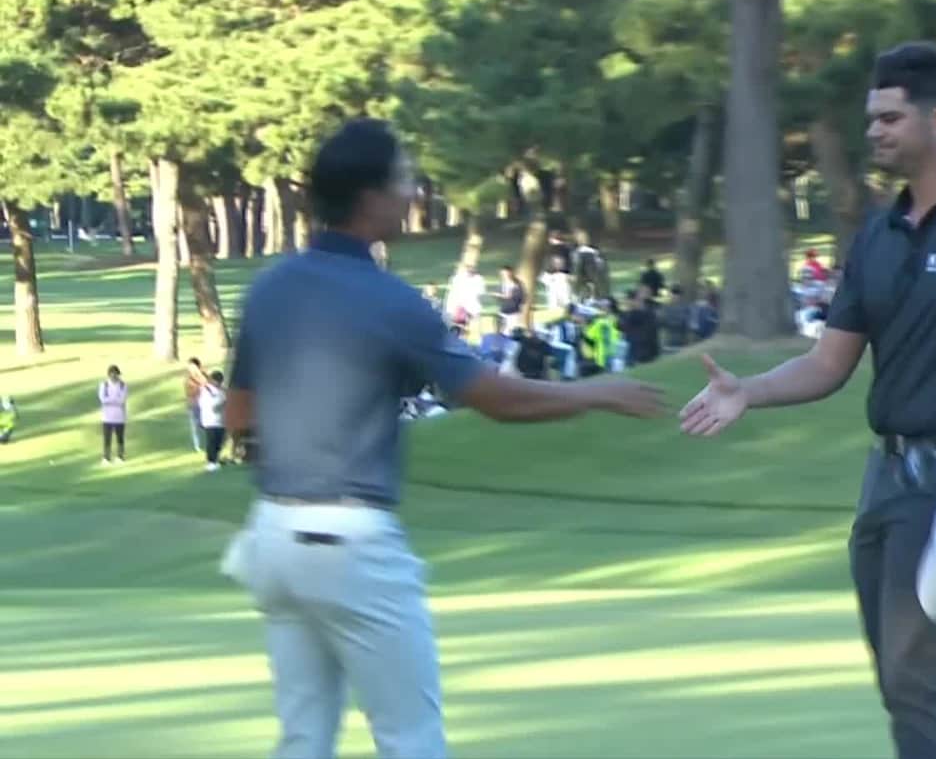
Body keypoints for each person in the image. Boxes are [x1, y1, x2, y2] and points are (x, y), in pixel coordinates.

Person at [679, 42, 936, 759]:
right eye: (871, 119)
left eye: (890, 118)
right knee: (911, 680)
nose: (874, 132)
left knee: (914, 678)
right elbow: (830, 363)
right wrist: (751, 392)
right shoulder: (877, 236)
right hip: (886, 486)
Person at [221, 118, 664, 759]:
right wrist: (598, 393)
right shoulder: (391, 300)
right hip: (352, 543)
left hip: (272, 538)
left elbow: (238, 417)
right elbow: (498, 399)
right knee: (412, 741)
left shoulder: (270, 288)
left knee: (303, 740)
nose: (413, 191)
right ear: (370, 196)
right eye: (403, 179)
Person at [98, 365, 128, 465]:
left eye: (116, 374)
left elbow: (122, 400)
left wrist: (112, 400)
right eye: (112, 374)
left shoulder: (123, 385)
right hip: (107, 417)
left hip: (120, 417)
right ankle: (106, 458)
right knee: (107, 439)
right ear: (109, 375)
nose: (114, 376)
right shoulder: (104, 385)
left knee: (120, 438)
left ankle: (120, 456)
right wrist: (114, 400)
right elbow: (103, 399)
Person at [200, 371, 228, 471]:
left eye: (220, 382)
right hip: (210, 421)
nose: (219, 384)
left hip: (221, 421)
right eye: (217, 382)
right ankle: (210, 462)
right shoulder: (206, 391)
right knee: (211, 442)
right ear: (212, 381)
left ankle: (216, 459)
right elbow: (214, 408)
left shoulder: (221, 390)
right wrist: (225, 402)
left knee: (219, 442)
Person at [185, 358, 208, 452]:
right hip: (193, 405)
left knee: (204, 424)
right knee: (195, 426)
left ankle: (209, 442)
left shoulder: (202, 375)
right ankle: (197, 446)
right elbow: (191, 392)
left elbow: (206, 383)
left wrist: (200, 373)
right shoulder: (188, 380)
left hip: (203, 405)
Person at [496, 266, 525, 332]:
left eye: (506, 274)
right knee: (501, 332)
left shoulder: (517, 284)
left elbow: (521, 298)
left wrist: (506, 296)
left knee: (511, 332)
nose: (504, 276)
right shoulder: (502, 284)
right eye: (502, 274)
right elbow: (500, 297)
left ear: (510, 273)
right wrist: (498, 296)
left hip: (513, 312)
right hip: (503, 311)